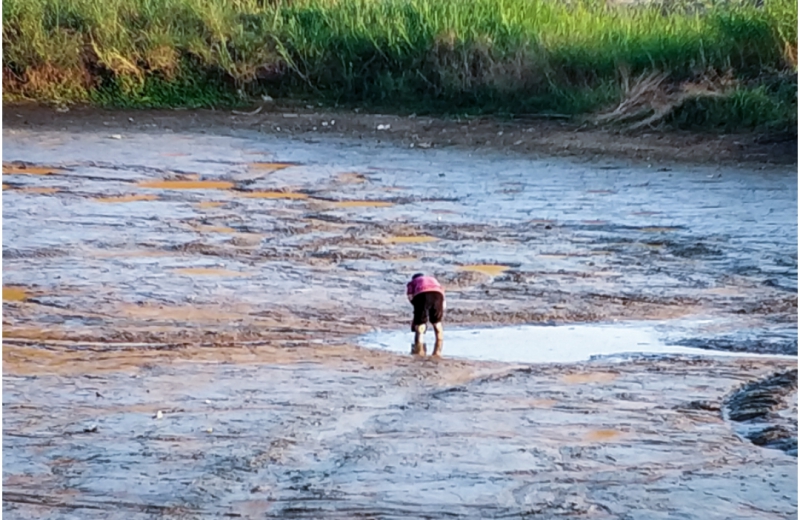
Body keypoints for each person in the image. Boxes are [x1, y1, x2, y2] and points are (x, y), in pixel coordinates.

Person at [406, 273, 445, 356]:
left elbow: (410, 296)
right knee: (437, 323)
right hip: (438, 295)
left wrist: (417, 310)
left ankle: (419, 349)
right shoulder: (433, 279)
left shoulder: (412, 282)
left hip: (422, 294)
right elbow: (442, 294)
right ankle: (438, 349)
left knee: (420, 324)